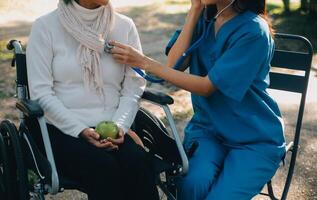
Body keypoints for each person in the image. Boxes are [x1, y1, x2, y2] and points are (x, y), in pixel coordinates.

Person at [109, 0, 286, 199]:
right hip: (208, 132)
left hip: (253, 139)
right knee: (191, 187)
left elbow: (206, 87)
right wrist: (194, 11)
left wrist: (143, 62)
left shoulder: (254, 31)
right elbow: (175, 65)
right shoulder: (204, 19)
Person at [26, 0, 159, 199]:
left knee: (138, 163)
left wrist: (120, 126)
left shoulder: (124, 26)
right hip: (61, 127)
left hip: (112, 125)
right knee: (102, 166)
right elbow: (41, 93)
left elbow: (133, 87)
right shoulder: (45, 27)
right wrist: (80, 130)